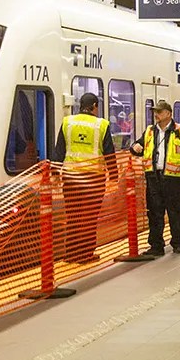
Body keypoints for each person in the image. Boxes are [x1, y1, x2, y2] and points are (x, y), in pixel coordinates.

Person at [131, 100, 180, 256]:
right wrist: (134, 148)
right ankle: (156, 246)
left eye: (160, 112)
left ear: (168, 114)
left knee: (174, 212)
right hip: (154, 178)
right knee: (154, 212)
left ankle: (177, 243)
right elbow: (139, 146)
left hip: (174, 179)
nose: (156, 115)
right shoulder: (149, 131)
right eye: (155, 112)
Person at [54, 93, 115, 263]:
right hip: (93, 179)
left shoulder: (68, 122)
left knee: (73, 216)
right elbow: (109, 153)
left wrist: (54, 173)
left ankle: (71, 254)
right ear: (95, 105)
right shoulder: (101, 125)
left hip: (71, 178)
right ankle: (85, 254)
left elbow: (59, 150)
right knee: (89, 218)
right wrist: (114, 176)